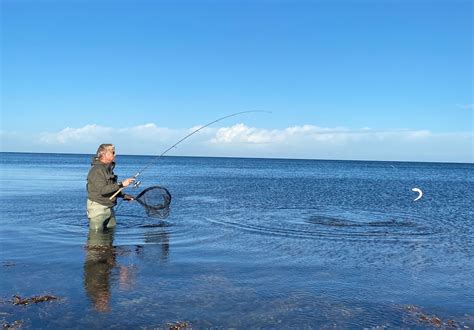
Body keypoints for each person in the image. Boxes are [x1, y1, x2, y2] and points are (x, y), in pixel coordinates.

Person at [86, 144, 135, 230]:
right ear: (104, 154)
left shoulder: (107, 169)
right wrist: (121, 184)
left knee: (111, 232)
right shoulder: (97, 170)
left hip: (109, 207)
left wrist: (124, 196)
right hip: (98, 208)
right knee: (96, 238)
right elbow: (102, 190)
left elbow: (110, 188)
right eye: (113, 152)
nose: (115, 154)